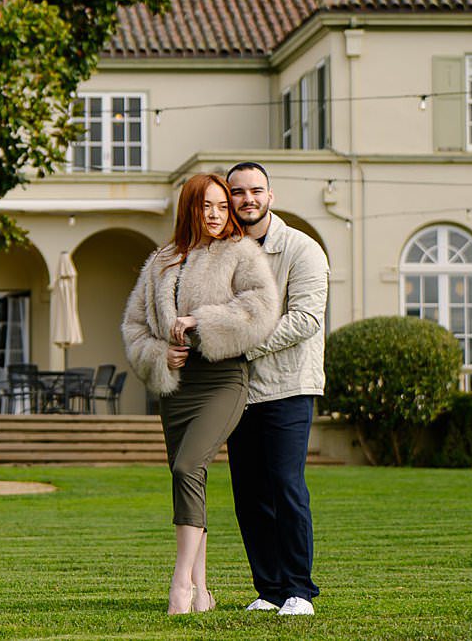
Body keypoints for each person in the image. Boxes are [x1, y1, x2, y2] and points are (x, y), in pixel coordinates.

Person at [121, 172, 280, 615]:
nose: (216, 214)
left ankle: (180, 585)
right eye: (206, 206)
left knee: (188, 466)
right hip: (176, 388)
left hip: (223, 378)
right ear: (189, 208)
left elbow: (262, 309)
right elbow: (133, 325)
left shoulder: (240, 253)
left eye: (222, 206)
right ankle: (203, 591)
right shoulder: (160, 260)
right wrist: (158, 354)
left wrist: (200, 322)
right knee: (188, 476)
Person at [224, 160, 330, 618]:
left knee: (286, 487)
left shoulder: (302, 249)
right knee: (248, 494)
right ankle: (269, 590)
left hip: (288, 385)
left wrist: (242, 345)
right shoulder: (223, 252)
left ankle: (299, 591)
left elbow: (306, 318)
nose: (248, 199)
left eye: (256, 191)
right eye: (238, 192)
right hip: (237, 391)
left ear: (271, 196)